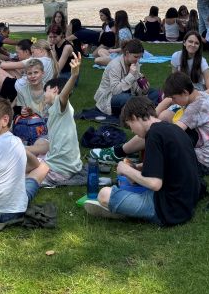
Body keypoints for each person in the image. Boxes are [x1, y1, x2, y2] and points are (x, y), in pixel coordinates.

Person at [84, 96, 202, 226]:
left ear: (134, 117)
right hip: (187, 201)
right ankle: (126, 208)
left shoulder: (153, 135)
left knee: (104, 194)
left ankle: (125, 211)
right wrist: (140, 167)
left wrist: (126, 169)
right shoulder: (171, 128)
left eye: (130, 126)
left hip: (168, 209)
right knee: (129, 185)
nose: (133, 131)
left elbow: (154, 184)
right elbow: (173, 164)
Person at [91, 72, 209, 175]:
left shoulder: (196, 107)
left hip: (205, 162)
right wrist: (165, 102)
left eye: (174, 98)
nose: (173, 101)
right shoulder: (200, 95)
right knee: (162, 119)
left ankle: (127, 157)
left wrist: (147, 122)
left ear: (185, 92)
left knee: (158, 132)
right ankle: (124, 152)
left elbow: (169, 135)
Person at [39, 53, 87, 187]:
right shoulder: (56, 109)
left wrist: (74, 75)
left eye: (46, 90)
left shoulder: (59, 104)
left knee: (23, 168)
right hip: (67, 164)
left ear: (55, 90)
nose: (44, 94)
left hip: (60, 169)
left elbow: (63, 95)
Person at [93, 39, 156, 116]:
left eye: (140, 57)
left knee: (154, 92)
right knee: (128, 99)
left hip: (128, 94)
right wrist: (131, 75)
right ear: (127, 53)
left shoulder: (135, 63)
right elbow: (115, 91)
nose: (138, 60)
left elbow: (135, 89)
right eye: (136, 57)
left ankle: (145, 108)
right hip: (108, 98)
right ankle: (145, 109)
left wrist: (144, 90)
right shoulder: (115, 65)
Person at [171, 31, 209, 99]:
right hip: (182, 89)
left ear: (199, 46)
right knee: (167, 99)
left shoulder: (202, 62)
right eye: (190, 41)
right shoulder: (176, 56)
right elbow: (174, 80)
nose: (193, 45)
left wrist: (193, 96)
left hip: (198, 91)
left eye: (196, 43)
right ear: (184, 43)